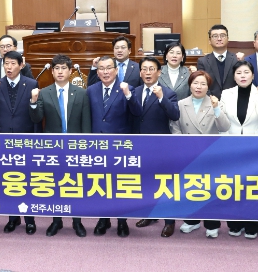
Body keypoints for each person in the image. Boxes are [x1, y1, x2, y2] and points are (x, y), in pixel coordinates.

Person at [30, 54, 91, 238]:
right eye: (57, 68)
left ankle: (77, 221)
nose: (60, 71)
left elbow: (85, 122)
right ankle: (56, 221)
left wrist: (85, 146)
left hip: (75, 146)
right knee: (55, 184)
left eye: (64, 68)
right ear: (52, 71)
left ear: (70, 71)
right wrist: (33, 102)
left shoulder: (81, 93)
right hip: (52, 147)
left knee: (75, 184)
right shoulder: (44, 92)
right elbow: (36, 118)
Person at [0, 50, 39, 234]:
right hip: (4, 141)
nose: (9, 67)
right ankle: (12, 219)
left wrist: (33, 103)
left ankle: (30, 220)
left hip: (26, 140)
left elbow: (36, 117)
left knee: (27, 181)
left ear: (21, 65)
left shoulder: (31, 84)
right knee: (9, 181)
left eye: (13, 63)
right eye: (6, 63)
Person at [86, 55, 142, 237]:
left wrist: (128, 96)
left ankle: (122, 220)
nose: (105, 72)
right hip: (97, 146)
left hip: (120, 147)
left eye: (109, 68)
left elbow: (137, 113)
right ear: (97, 72)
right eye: (101, 68)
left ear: (116, 70)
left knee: (119, 185)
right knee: (101, 184)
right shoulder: (91, 90)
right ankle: (103, 219)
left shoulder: (127, 88)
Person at [220, 60, 258, 239]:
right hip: (232, 147)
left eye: (246, 72)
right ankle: (235, 224)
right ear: (234, 76)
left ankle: (252, 225)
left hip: (255, 147)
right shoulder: (226, 93)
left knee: (252, 186)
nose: (242, 76)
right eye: (239, 73)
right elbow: (222, 121)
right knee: (233, 186)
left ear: (253, 75)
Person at [170, 70, 229, 238]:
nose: (199, 87)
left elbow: (224, 127)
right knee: (191, 187)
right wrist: (183, 146)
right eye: (195, 83)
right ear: (190, 85)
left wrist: (216, 109)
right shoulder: (181, 103)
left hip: (210, 154)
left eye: (203, 84)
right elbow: (175, 127)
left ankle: (212, 224)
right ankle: (192, 220)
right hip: (188, 153)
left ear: (208, 87)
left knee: (210, 189)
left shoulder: (214, 103)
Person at [129, 56, 180, 237]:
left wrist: (161, 98)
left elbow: (175, 115)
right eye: (144, 69)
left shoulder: (168, 92)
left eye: (151, 69)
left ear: (159, 72)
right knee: (146, 183)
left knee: (164, 184)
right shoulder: (134, 91)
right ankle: (150, 215)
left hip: (160, 147)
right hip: (139, 145)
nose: (147, 73)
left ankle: (169, 221)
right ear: (140, 73)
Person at [196, 24, 243, 99]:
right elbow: (202, 83)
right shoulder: (202, 61)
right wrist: (211, 99)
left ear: (228, 39)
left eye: (222, 36)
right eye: (215, 36)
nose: (219, 39)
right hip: (210, 101)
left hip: (233, 101)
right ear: (209, 41)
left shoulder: (236, 59)